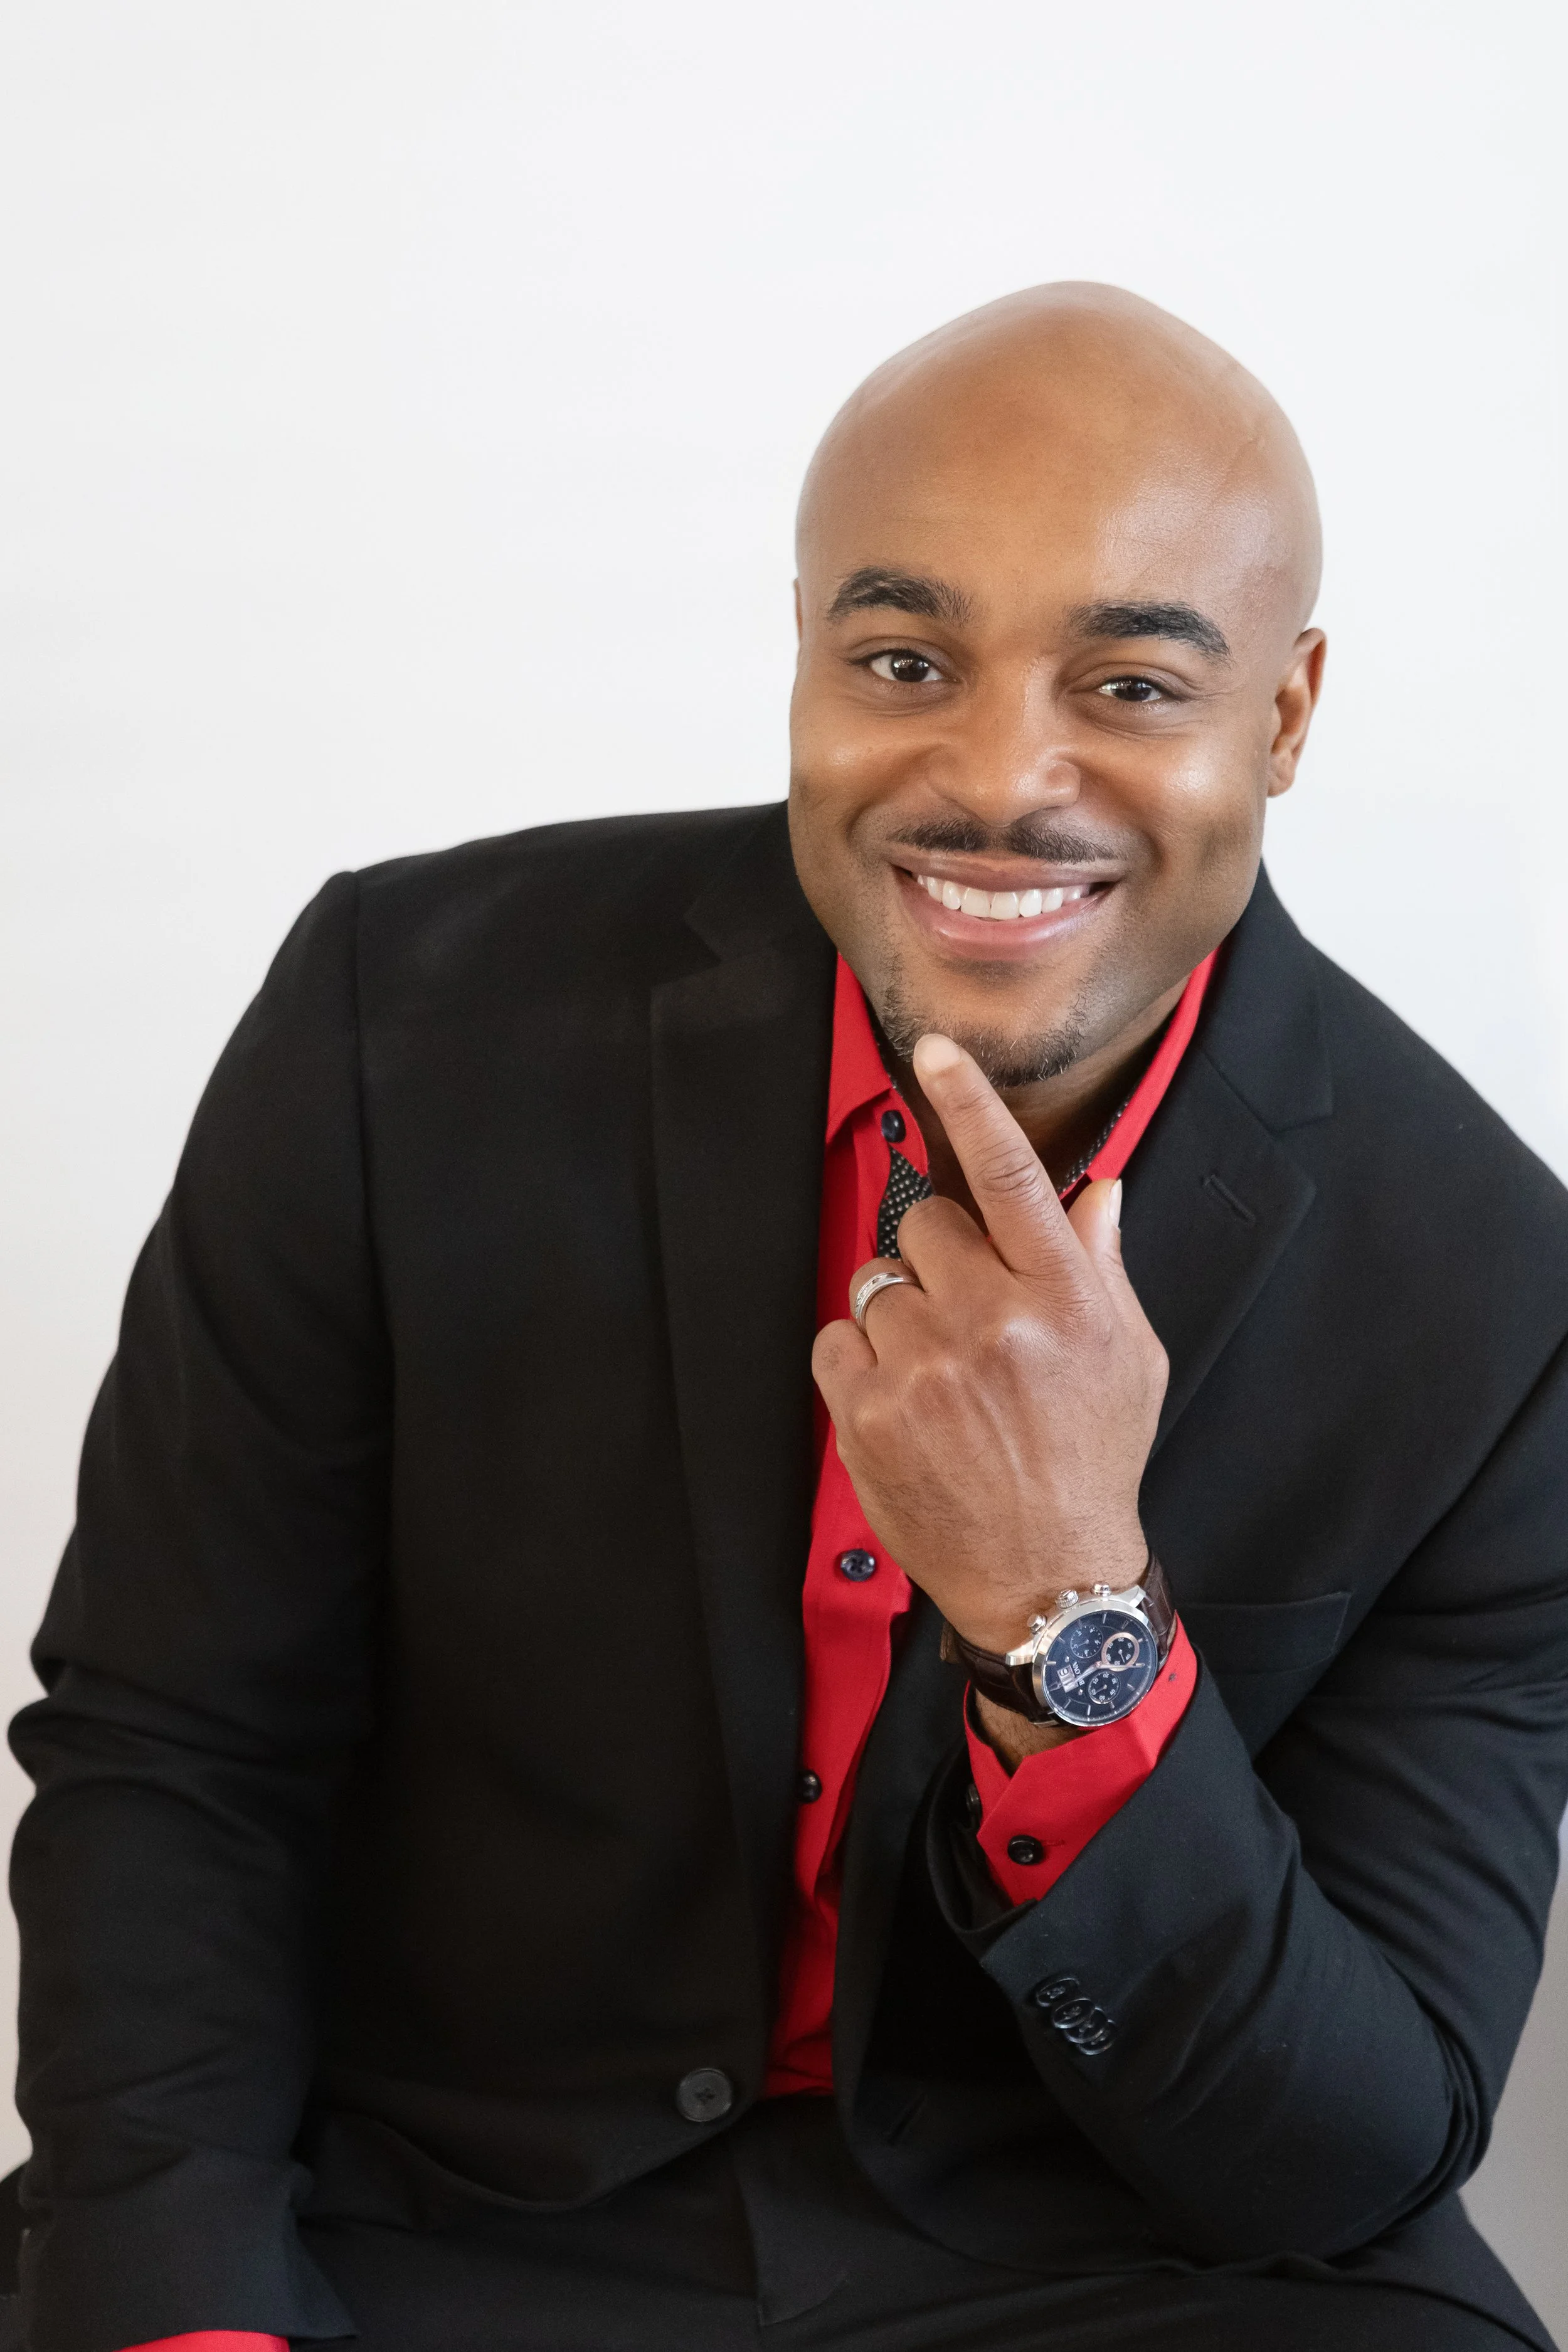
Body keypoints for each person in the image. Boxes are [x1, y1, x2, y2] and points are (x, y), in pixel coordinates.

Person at [9, 282, 1568, 2352]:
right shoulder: (401, 1019)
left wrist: (1068, 1620)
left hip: (1098, 2252)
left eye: (1126, 681)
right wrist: (186, 2320)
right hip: (431, 2198)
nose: (1001, 777)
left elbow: (1354, 2149)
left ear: (1280, 716)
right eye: (904, 657)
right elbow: (179, 1751)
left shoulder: (1486, 1298)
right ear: (807, 656)